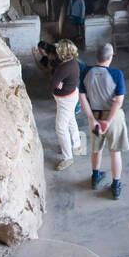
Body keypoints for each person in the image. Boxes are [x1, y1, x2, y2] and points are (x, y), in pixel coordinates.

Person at [81, 42, 129, 199]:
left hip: (95, 116)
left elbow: (82, 98)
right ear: (110, 57)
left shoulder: (86, 71)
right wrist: (108, 121)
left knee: (96, 149)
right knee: (115, 152)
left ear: (97, 56)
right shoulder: (116, 74)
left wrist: (92, 119)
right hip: (113, 118)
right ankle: (116, 186)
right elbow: (118, 101)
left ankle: (95, 177)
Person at [49, 38, 83, 170]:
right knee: (70, 120)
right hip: (71, 95)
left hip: (65, 99)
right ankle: (76, 145)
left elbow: (52, 84)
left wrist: (57, 84)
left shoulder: (64, 67)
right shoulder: (73, 62)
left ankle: (67, 157)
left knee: (61, 128)